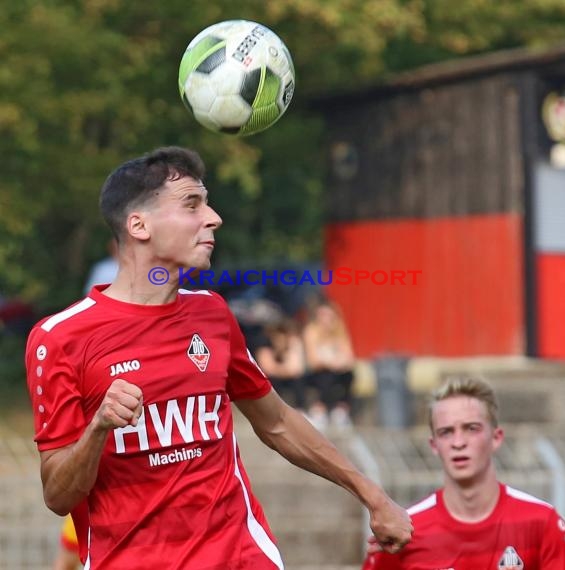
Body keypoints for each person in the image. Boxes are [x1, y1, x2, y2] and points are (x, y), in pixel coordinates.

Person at [25, 146, 412, 569]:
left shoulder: (212, 313)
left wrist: (372, 495)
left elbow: (278, 423)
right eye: (192, 204)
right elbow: (57, 496)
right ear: (139, 225)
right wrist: (98, 427)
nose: (213, 218)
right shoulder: (59, 339)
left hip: (239, 556)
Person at [362, 375, 565, 570]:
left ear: (496, 438)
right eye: (446, 432)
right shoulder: (402, 533)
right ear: (434, 445)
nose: (458, 443)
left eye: (471, 428)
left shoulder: (543, 522)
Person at [302, 298, 355, 429]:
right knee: (326, 375)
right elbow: (313, 361)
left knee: (349, 374)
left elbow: (349, 357)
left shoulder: (340, 332)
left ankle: (341, 410)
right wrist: (333, 362)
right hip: (314, 373)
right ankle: (319, 409)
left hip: (336, 370)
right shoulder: (311, 332)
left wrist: (338, 363)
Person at [254, 316, 306, 411]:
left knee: (298, 381)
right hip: (273, 379)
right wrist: (285, 370)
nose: (279, 341)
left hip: (288, 377)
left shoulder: (293, 344)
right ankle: (273, 409)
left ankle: (301, 408)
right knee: (271, 381)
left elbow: (296, 369)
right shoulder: (264, 346)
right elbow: (267, 369)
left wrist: (280, 368)